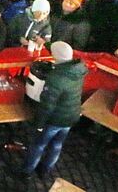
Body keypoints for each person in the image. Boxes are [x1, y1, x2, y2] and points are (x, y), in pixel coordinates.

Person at [20, 41, 88, 180]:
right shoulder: (77, 70)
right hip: (71, 115)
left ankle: (27, 171)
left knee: (39, 145)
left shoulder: (56, 78)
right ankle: (45, 170)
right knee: (57, 144)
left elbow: (47, 105)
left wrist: (38, 124)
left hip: (55, 118)